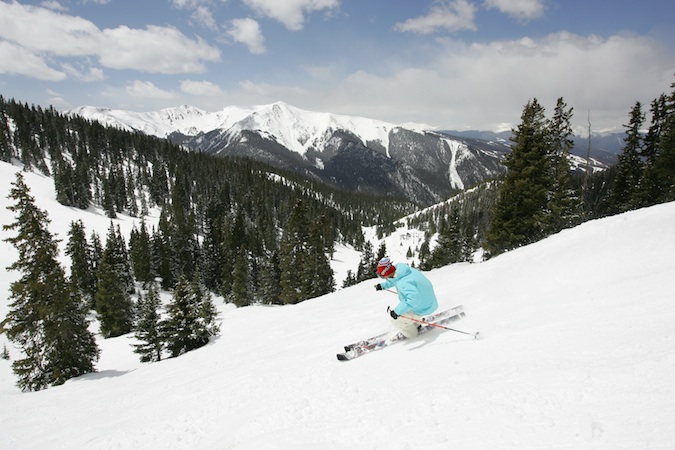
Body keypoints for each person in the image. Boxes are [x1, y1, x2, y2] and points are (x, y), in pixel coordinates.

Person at [374, 256, 438, 338]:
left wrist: (397, 312)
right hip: (430, 301)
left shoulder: (403, 282)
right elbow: (395, 279)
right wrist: (383, 286)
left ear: (387, 273)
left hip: (423, 307)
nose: (384, 278)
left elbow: (414, 299)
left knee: (396, 321)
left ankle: (412, 334)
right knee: (406, 307)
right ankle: (416, 324)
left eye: (382, 276)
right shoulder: (402, 271)